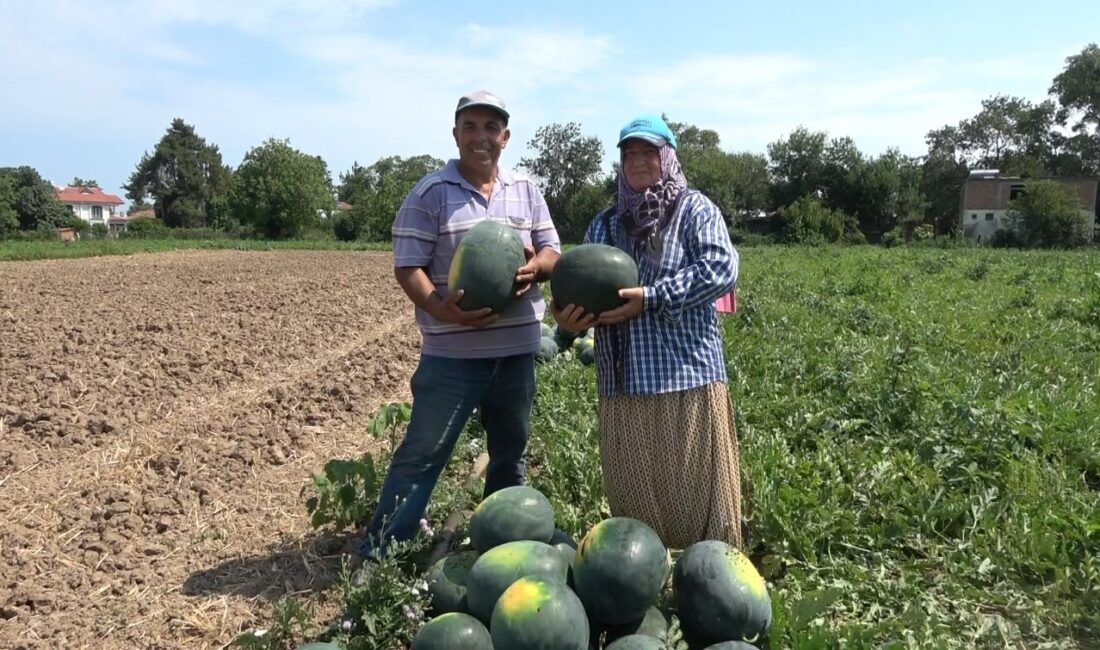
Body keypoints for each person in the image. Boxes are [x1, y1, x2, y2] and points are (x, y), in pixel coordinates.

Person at [361, 90, 561, 558]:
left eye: (491, 128)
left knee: (510, 452)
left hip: (516, 353)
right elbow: (407, 265)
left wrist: (540, 267)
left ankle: (501, 541)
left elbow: (553, 250)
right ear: (455, 134)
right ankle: (384, 550)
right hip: (453, 355)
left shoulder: (527, 190)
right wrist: (439, 307)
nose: (480, 137)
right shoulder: (430, 193)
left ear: (505, 137)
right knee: (423, 452)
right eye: (470, 126)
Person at [553, 113, 744, 549]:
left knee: (697, 498)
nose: (638, 161)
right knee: (636, 501)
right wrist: (566, 319)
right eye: (629, 153)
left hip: (687, 379)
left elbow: (722, 269)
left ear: (668, 156)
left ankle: (707, 580)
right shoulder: (604, 224)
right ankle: (645, 584)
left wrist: (652, 296)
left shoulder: (695, 209)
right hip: (623, 383)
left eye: (648, 151)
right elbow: (578, 280)